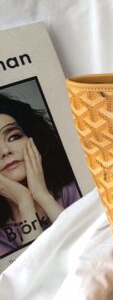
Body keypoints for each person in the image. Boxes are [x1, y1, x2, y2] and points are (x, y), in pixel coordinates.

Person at [0, 92, 81, 257]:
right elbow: (32, 270)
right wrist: (25, 202)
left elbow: (85, 248)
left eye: (14, 137)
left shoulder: (73, 190)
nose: (5, 151)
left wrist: (41, 194)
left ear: (33, 138)